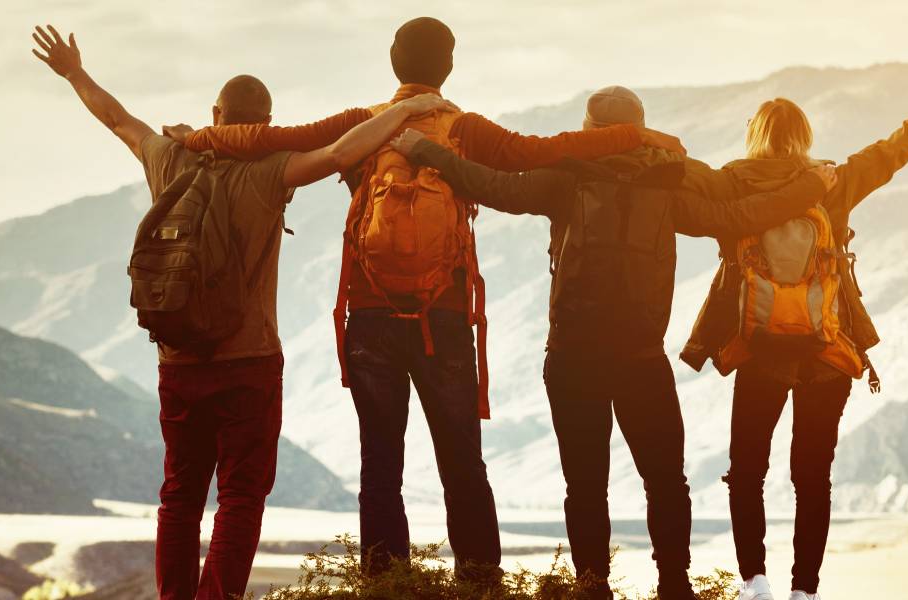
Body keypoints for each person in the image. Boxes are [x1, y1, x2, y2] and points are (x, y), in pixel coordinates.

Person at [174, 17, 685, 577]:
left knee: (380, 466)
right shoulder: (465, 128)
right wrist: (636, 136)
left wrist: (200, 137)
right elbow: (550, 149)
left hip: (370, 314)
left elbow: (274, 140)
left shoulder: (362, 126)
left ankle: (386, 584)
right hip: (444, 315)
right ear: (448, 67)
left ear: (394, 63)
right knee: (462, 459)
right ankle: (480, 583)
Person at [29, 24, 459, 600]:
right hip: (249, 360)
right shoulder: (269, 171)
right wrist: (411, 112)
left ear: (216, 111)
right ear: (262, 122)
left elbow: (118, 120)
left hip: (177, 361)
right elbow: (340, 151)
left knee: (179, 495)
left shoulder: (168, 159)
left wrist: (74, 73)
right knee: (240, 496)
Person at [389, 85, 837, 599]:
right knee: (666, 480)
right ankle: (674, 583)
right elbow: (737, 216)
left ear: (588, 128)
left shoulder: (567, 176)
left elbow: (493, 186)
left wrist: (426, 151)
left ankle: (593, 585)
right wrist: (808, 191)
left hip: (571, 356)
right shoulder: (667, 182)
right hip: (641, 359)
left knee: (584, 486)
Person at [678, 85, 908, 600]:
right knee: (812, 478)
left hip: (760, 350)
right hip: (826, 352)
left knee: (746, 471)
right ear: (804, 138)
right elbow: (901, 145)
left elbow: (679, 176)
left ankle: (755, 582)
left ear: (754, 137)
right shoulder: (835, 181)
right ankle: (804, 591)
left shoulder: (731, 183)